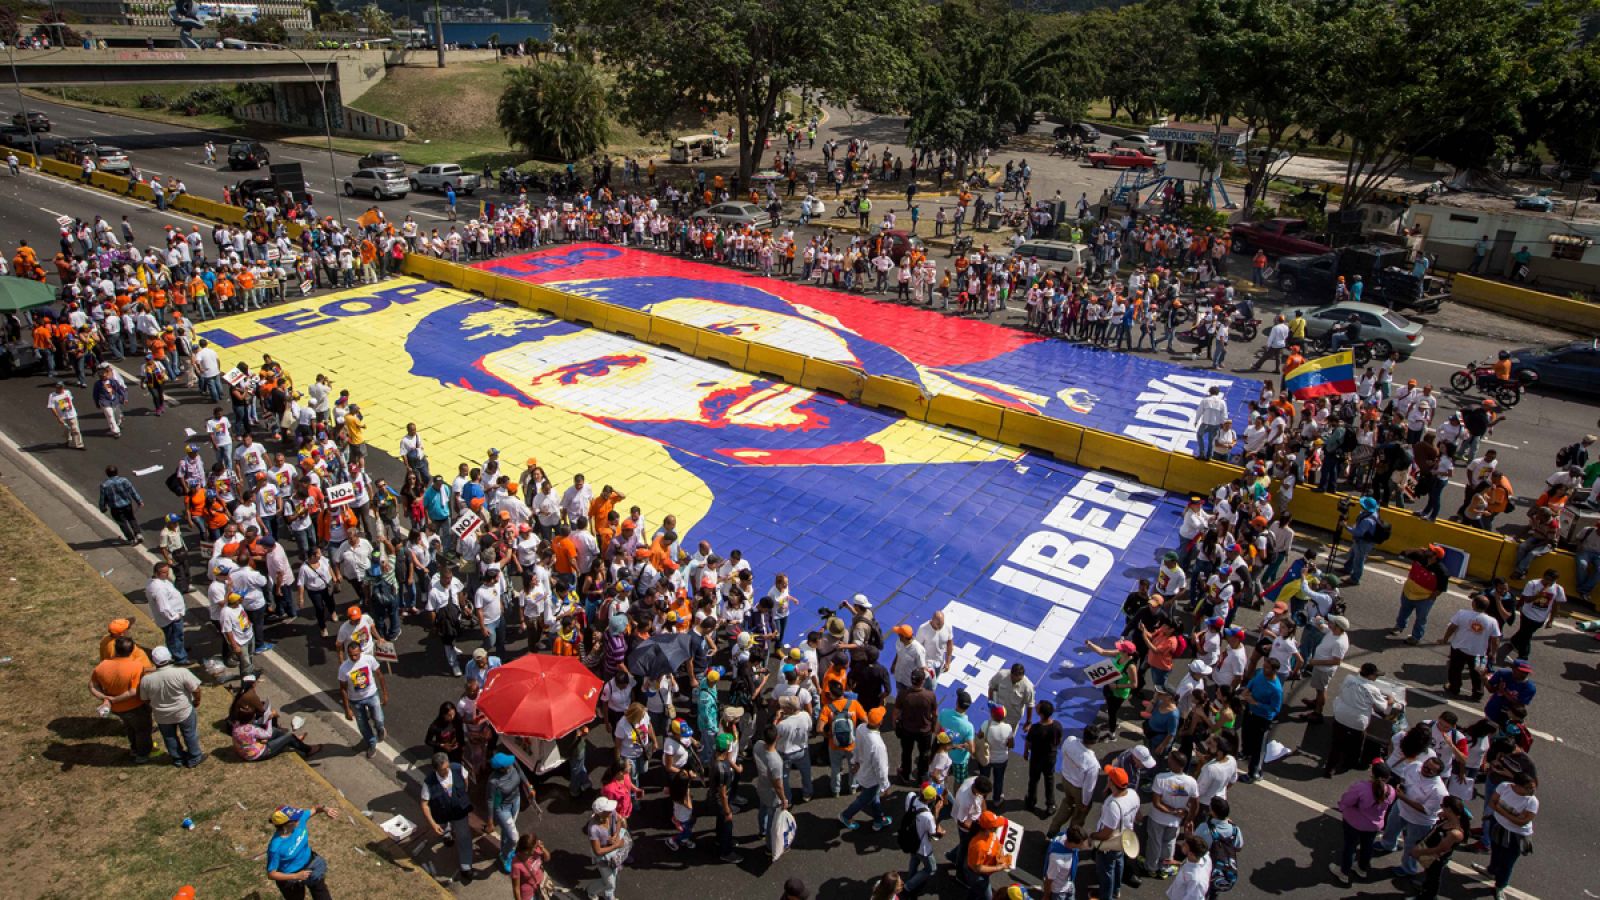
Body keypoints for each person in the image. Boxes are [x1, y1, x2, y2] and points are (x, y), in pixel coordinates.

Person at [138, 645, 203, 768]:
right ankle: (194, 757)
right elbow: (196, 689)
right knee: (190, 734)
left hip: (162, 715)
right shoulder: (181, 672)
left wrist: (154, 706)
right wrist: (196, 701)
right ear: (169, 658)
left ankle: (178, 759)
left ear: (153, 661)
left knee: (170, 737)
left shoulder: (146, 680)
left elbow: (145, 699)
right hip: (183, 711)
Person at [90, 634, 152, 763]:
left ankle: (134, 749)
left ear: (116, 649)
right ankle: (143, 754)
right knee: (142, 730)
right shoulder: (136, 667)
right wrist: (113, 699)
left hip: (117, 710)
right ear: (132, 650)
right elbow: (133, 692)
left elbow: (92, 686)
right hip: (135, 706)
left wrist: (105, 698)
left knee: (130, 727)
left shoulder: (102, 666)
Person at [1333, 761, 1395, 884]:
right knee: (1367, 847)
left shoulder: (1361, 787)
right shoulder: (1391, 791)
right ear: (1388, 777)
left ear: (1372, 773)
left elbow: (1347, 800)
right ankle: (1362, 868)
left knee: (1350, 847)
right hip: (1373, 826)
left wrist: (1342, 807)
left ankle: (1344, 873)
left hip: (1354, 822)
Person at [420, 751, 477, 884]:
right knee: (445, 825)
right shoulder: (429, 782)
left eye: (447, 767)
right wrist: (433, 824)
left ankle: (466, 866)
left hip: (459, 811)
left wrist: (460, 797)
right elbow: (424, 804)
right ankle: (447, 832)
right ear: (435, 769)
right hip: (442, 813)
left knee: (464, 836)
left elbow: (466, 781)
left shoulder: (457, 768)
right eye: (443, 770)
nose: (446, 771)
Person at [266, 804, 341, 900]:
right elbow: (271, 874)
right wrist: (296, 876)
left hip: (311, 865)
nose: (299, 818)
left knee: (321, 893)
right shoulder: (275, 847)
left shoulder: (300, 821)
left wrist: (326, 809)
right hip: (291, 878)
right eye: (296, 818)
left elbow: (315, 808)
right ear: (288, 824)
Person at [1144, 750, 1198, 878]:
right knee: (1169, 843)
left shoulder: (1161, 778)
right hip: (1175, 822)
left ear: (1173, 762)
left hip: (1158, 818)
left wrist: (1173, 811)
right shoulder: (1191, 782)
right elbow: (1195, 804)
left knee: (1154, 843)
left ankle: (1151, 867)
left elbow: (1156, 802)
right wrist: (1188, 818)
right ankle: (1164, 868)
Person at [1089, 765, 1141, 898]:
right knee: (1119, 863)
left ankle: (1106, 896)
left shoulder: (1113, 805)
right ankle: (1116, 890)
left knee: (1107, 872)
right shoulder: (1133, 793)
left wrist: (1093, 836)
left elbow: (1106, 834)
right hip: (1125, 839)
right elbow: (1138, 816)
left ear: (1111, 782)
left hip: (1111, 844)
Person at [1483, 771, 1537, 899]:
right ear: (1517, 785)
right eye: (1528, 788)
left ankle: (1500, 885)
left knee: (1508, 861)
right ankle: (1491, 870)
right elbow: (1492, 802)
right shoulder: (1504, 786)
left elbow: (1522, 822)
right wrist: (1511, 816)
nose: (1532, 790)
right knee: (1496, 851)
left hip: (1517, 835)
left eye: (1533, 788)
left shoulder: (1531, 801)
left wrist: (1501, 811)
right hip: (1499, 825)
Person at [839, 708, 892, 831]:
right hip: (871, 778)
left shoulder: (861, 728)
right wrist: (886, 785)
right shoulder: (878, 745)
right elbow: (881, 768)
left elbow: (856, 747)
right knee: (863, 800)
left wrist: (855, 762)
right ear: (880, 723)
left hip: (862, 771)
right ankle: (846, 816)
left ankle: (878, 820)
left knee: (873, 798)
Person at [1440, 594, 1501, 699]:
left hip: (1459, 648)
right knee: (1478, 673)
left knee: (1455, 669)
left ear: (1474, 604)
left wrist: (1445, 639)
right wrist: (1494, 653)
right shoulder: (1492, 621)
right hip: (1479, 653)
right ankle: (1478, 693)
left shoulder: (1462, 613)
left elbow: (1452, 627)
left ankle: (1454, 688)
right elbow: (1495, 640)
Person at [1410, 796, 1470, 900]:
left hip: (1436, 858)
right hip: (1430, 854)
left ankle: (1428, 896)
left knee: (1433, 878)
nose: (1441, 808)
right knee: (1429, 874)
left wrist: (1418, 852)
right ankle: (1425, 887)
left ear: (1450, 809)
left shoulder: (1454, 833)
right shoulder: (1449, 819)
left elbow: (1439, 849)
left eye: (1442, 806)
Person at [336, 639, 387, 758]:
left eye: (356, 654)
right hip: (355, 701)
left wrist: (385, 694)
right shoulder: (344, 668)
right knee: (363, 725)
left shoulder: (368, 659)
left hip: (372, 695)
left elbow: (379, 675)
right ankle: (371, 743)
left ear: (361, 651)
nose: (354, 657)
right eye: (351, 655)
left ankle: (380, 729)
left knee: (379, 719)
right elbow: (343, 688)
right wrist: (347, 709)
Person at [1391, 545, 1450, 645]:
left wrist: (1431, 598)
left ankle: (1416, 637)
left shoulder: (1442, 571)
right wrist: (1418, 549)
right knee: (1404, 610)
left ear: (1435, 556)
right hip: (1408, 591)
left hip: (1424, 598)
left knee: (1421, 618)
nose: (1427, 550)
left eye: (1430, 550)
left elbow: (1441, 589)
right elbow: (1404, 552)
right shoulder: (1419, 557)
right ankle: (1399, 626)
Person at [1238, 657, 1283, 783]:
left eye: (1267, 668)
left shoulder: (1276, 689)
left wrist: (1256, 703)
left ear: (1274, 670)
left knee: (1258, 747)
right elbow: (1253, 682)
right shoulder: (1261, 674)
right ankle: (1245, 752)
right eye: (1264, 666)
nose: (1264, 669)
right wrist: (1247, 690)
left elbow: (1275, 709)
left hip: (1262, 719)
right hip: (1250, 712)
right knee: (1246, 734)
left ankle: (1254, 773)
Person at [488, 751, 533, 874]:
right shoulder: (493, 781)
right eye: (507, 763)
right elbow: (491, 800)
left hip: (516, 802)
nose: (511, 763)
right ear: (501, 769)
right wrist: (490, 821)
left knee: (507, 831)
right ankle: (505, 856)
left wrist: (529, 787)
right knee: (514, 838)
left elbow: (521, 773)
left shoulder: (512, 763)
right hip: (503, 809)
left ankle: (503, 848)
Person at [1023, 700, 1063, 814]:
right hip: (1050, 757)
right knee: (1049, 779)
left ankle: (1031, 801)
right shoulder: (1057, 726)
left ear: (1041, 713)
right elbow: (1058, 740)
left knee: (1033, 780)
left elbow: (1028, 742)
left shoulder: (1035, 728)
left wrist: (1026, 752)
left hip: (1036, 758)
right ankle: (1050, 804)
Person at [586, 796, 629, 900]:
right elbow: (598, 851)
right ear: (600, 813)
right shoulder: (593, 828)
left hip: (613, 853)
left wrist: (616, 835)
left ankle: (609, 896)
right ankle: (590, 892)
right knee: (610, 882)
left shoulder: (611, 812)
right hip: (603, 857)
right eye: (608, 809)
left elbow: (619, 821)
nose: (612, 810)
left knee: (612, 875)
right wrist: (616, 845)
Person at [902, 783, 942, 896]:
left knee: (914, 859)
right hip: (922, 846)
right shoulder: (928, 816)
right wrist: (937, 812)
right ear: (931, 799)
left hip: (910, 839)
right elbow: (933, 834)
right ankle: (908, 886)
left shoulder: (911, 797)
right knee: (931, 868)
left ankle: (911, 879)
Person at [709, 731, 743, 863]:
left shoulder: (715, 757)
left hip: (716, 797)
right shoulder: (722, 769)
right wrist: (727, 809)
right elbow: (722, 793)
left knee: (721, 822)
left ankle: (719, 839)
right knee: (727, 824)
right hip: (721, 800)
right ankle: (726, 852)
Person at [147, 561, 189, 665]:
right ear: (157, 573)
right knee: (174, 638)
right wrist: (175, 617)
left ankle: (179, 650)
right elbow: (163, 608)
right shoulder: (159, 589)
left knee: (176, 638)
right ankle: (180, 658)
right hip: (170, 619)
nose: (167, 574)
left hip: (172, 617)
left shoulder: (159, 581)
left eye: (167, 571)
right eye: (164, 572)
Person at [98, 465, 143, 544]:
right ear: (117, 472)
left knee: (122, 523)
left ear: (107, 474)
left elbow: (102, 498)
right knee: (131, 518)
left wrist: (102, 508)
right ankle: (138, 534)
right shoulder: (124, 480)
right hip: (127, 504)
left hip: (115, 508)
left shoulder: (104, 485)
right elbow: (132, 491)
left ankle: (131, 539)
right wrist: (139, 501)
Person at [510, 833, 551, 900]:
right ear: (523, 850)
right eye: (528, 852)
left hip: (541, 886)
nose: (533, 852)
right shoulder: (516, 865)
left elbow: (547, 858)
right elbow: (516, 888)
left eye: (534, 848)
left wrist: (542, 848)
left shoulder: (535, 850)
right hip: (529, 894)